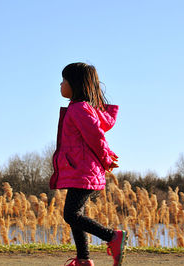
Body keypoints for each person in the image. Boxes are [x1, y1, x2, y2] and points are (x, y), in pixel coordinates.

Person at [50, 63, 127, 266]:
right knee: (77, 215)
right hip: (79, 169)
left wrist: (106, 158)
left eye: (64, 80)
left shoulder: (79, 109)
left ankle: (112, 237)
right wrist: (106, 156)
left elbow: (96, 137)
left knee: (72, 215)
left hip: (82, 170)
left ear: (74, 84)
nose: (60, 84)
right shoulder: (81, 108)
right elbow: (92, 138)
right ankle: (83, 260)